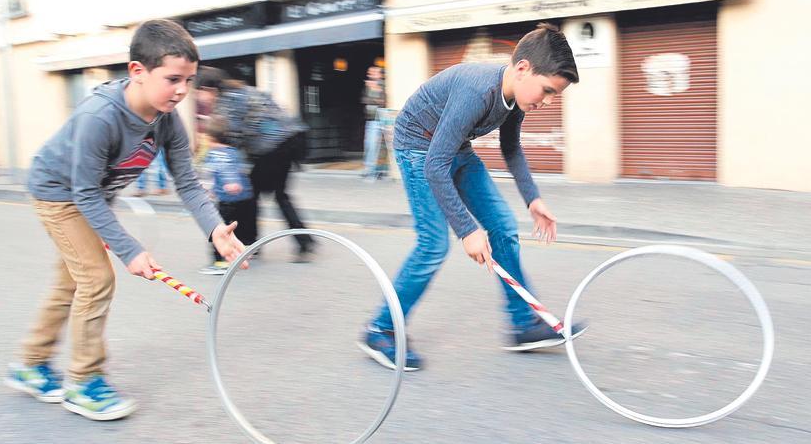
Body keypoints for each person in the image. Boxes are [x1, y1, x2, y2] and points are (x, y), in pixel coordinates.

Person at [5, 19, 249, 420]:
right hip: (59, 193)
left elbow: (187, 181)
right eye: (173, 79)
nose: (183, 90)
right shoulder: (100, 116)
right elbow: (82, 192)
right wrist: (130, 250)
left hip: (91, 196)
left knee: (72, 281)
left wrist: (215, 228)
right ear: (138, 71)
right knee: (96, 279)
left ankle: (30, 364)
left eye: (189, 80)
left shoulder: (167, 117)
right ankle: (83, 382)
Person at [357, 23, 588, 371]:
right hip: (418, 149)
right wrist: (466, 229)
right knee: (434, 244)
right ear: (523, 68)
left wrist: (532, 198)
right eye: (547, 90)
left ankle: (523, 324)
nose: (548, 101)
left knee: (503, 227)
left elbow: (511, 148)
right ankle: (380, 330)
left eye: (554, 94)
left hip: (452, 148)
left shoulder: (514, 97)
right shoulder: (477, 90)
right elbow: (435, 166)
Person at [196, 67, 317, 263]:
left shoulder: (228, 101)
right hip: (293, 139)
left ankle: (251, 242)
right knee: (278, 195)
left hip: (275, 146)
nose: (200, 97)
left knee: (251, 193)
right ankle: (304, 242)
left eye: (200, 91)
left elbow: (231, 139)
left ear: (209, 88)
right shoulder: (242, 91)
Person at [198, 115, 256, 275]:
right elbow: (243, 170)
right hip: (245, 198)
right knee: (242, 227)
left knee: (218, 231)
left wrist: (207, 191)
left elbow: (217, 171)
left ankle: (220, 262)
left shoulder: (215, 154)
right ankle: (245, 250)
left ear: (209, 138)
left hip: (226, 200)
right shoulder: (234, 152)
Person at [361, 66, 386, 181]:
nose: (370, 74)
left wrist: (375, 89)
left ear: (379, 74)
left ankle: (376, 171)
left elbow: (383, 101)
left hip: (379, 120)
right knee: (369, 146)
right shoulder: (368, 86)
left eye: (373, 72)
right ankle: (370, 170)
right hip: (370, 120)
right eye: (370, 72)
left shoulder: (382, 86)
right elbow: (364, 100)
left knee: (377, 147)